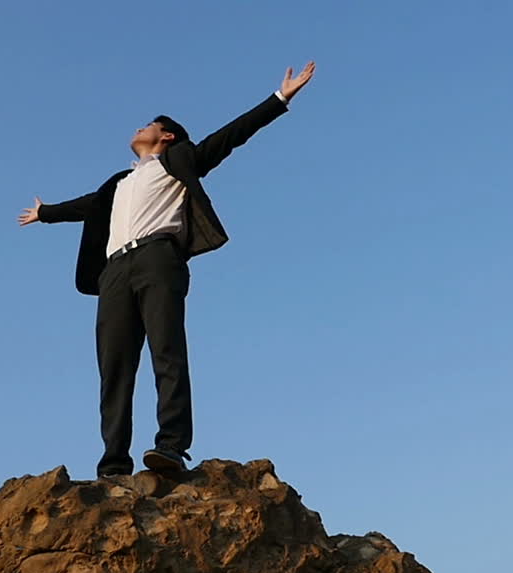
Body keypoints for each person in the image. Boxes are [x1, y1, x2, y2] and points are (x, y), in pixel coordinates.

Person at [17, 61, 316, 478]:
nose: (138, 128)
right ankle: (113, 463)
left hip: (159, 259)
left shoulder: (178, 160)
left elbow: (229, 137)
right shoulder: (119, 183)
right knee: (114, 368)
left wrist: (279, 98)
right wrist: (46, 212)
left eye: (147, 124)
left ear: (166, 135)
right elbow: (86, 205)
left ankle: (171, 447)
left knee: (167, 351)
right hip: (115, 271)